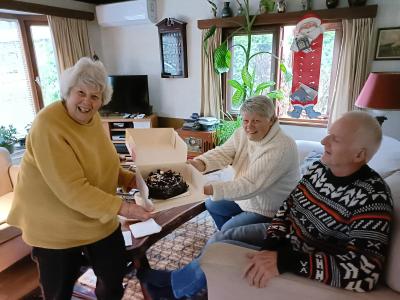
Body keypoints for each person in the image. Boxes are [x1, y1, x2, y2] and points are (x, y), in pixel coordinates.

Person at [140, 111, 393, 298]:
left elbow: (364, 271)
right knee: (222, 236)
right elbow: (288, 208)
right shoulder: (319, 169)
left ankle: (175, 289)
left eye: (335, 139)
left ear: (359, 154)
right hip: (288, 238)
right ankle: (183, 282)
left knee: (220, 244)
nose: (324, 141)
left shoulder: (372, 198)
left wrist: (285, 261)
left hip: (305, 254)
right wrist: (272, 243)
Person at [7, 57, 153, 300]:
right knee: (58, 292)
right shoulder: (47, 125)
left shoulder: (93, 118)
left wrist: (129, 179)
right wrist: (126, 208)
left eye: (95, 96)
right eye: (81, 93)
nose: (87, 102)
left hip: (95, 216)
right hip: (55, 227)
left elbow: (103, 163)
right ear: (67, 92)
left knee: (113, 276)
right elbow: (73, 189)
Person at [188, 95, 300, 231]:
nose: (249, 126)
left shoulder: (282, 146)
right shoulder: (241, 133)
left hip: (269, 208)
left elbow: (250, 184)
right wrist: (200, 163)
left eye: (256, 121)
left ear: (272, 120)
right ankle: (229, 238)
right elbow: (223, 153)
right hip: (246, 199)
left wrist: (208, 188)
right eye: (245, 120)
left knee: (228, 229)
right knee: (212, 204)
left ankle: (228, 236)